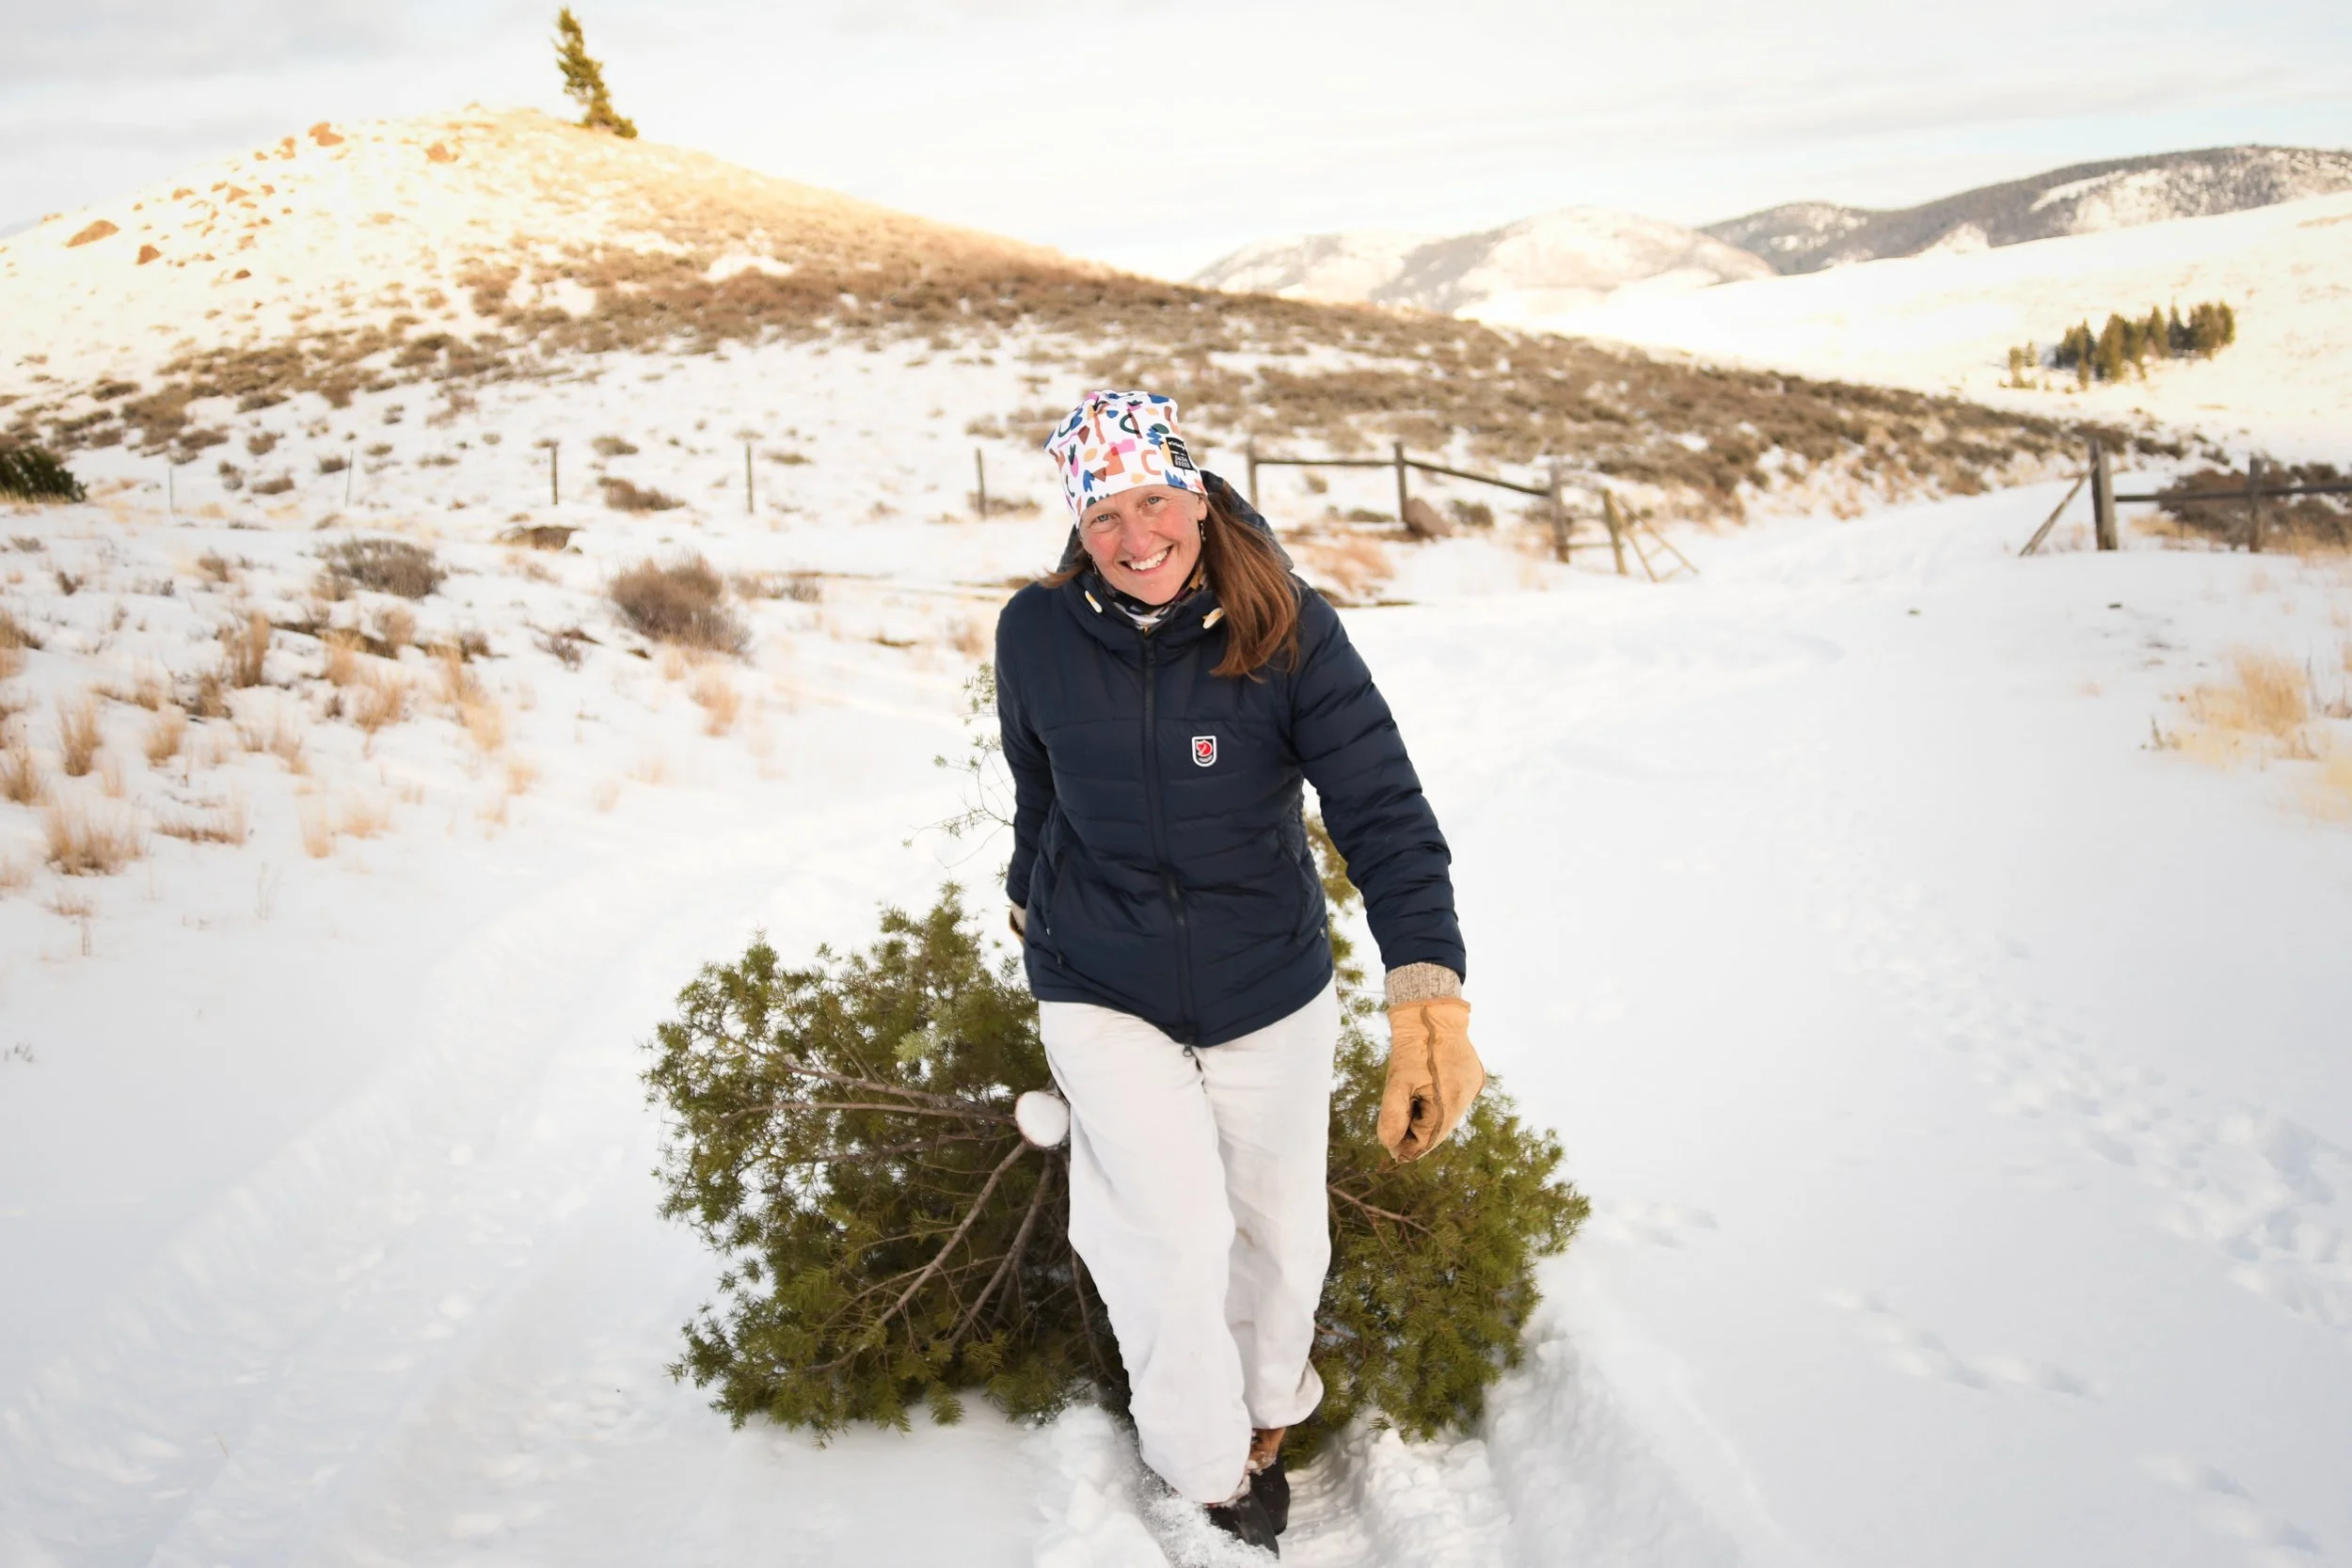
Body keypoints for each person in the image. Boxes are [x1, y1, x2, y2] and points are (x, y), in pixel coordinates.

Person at [993, 390, 1486, 1553]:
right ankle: (1210, 1476)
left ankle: (1267, 1417)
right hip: (1100, 983)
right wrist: (1032, 901)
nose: (1134, 535)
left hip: (1266, 979)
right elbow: (1036, 786)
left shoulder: (1288, 627)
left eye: (1154, 500)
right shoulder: (1036, 631)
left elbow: (1384, 811)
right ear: (1077, 524)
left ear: (1198, 496)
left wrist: (1428, 994)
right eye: (1102, 512)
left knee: (1279, 1235)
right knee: (1164, 1239)